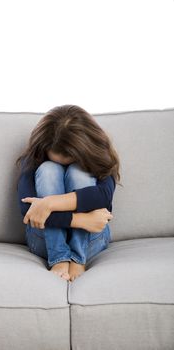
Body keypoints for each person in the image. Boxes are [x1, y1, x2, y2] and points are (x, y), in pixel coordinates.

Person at [16, 104, 121, 282]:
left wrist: (49, 203)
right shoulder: (34, 157)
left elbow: (103, 196)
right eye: (57, 158)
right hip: (46, 240)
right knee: (49, 169)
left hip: (91, 238)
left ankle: (77, 258)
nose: (64, 163)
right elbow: (28, 210)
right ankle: (59, 258)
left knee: (78, 172)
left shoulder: (99, 155)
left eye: (70, 159)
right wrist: (81, 220)